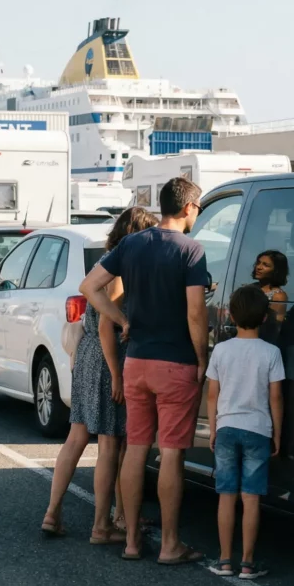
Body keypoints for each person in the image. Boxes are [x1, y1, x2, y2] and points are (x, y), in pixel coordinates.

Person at [80, 176, 208, 565]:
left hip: (136, 362)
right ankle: (170, 545)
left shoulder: (131, 244)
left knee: (135, 448)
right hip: (175, 363)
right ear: (187, 208)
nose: (197, 214)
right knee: (170, 453)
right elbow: (195, 312)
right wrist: (202, 357)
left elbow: (90, 286)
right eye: (198, 208)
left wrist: (121, 320)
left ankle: (132, 541)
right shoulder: (192, 251)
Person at [43, 208, 157, 542]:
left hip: (88, 356)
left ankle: (53, 512)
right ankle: (102, 525)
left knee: (76, 437)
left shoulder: (105, 260)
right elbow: (108, 324)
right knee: (109, 443)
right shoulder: (119, 268)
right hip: (109, 359)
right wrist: (117, 375)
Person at [205, 285, 284, 579]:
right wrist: (276, 432)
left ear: (232, 316)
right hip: (258, 429)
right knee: (251, 498)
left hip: (226, 427)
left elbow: (213, 395)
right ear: (265, 318)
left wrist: (213, 429)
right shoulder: (272, 353)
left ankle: (225, 560)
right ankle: (248, 562)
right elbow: (275, 397)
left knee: (226, 496)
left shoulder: (222, 351)